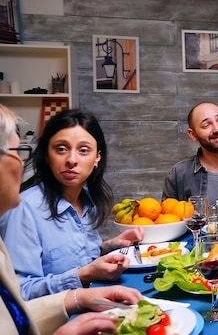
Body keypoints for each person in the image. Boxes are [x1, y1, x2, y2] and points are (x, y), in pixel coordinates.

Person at [0, 103, 143, 335]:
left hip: (93, 311)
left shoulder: (86, 197)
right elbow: (19, 295)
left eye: (83, 150)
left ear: (97, 157)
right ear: (46, 155)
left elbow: (71, 255)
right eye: (61, 149)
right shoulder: (24, 208)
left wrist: (110, 246)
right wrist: (83, 276)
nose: (71, 160)